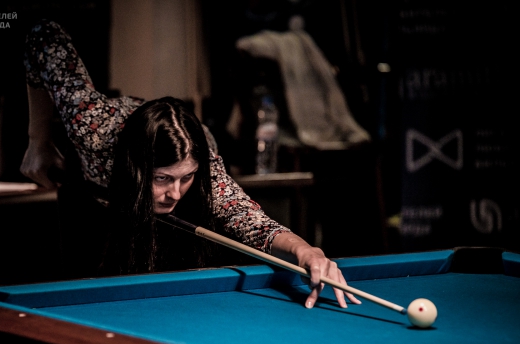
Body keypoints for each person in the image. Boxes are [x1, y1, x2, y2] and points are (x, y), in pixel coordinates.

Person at [20, 20, 360, 309]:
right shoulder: (91, 126)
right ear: (139, 168)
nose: (175, 193)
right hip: (95, 193)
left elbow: (251, 220)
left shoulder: (206, 165)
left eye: (186, 178)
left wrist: (307, 251)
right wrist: (39, 141)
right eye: (163, 178)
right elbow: (42, 34)